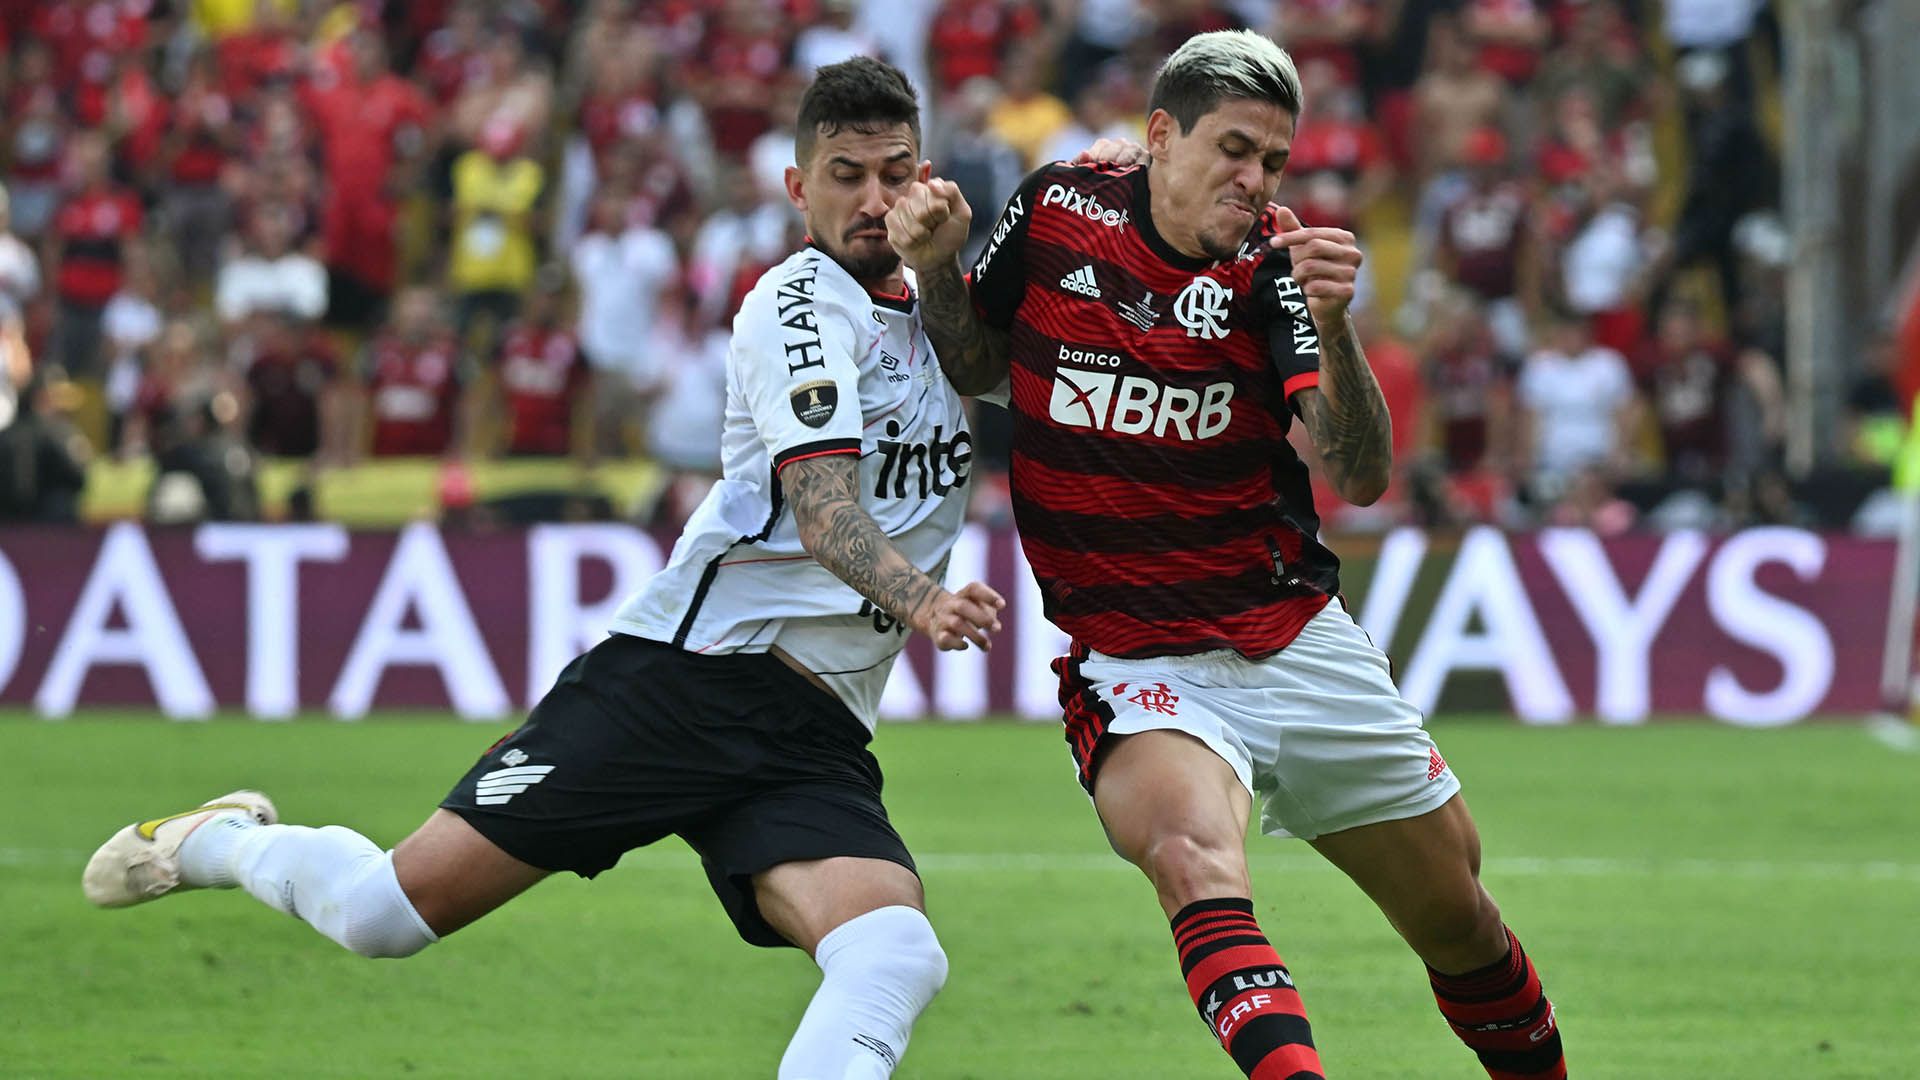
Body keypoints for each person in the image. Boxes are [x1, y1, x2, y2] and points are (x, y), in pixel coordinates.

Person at [82, 57, 1005, 1080]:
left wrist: (947, 271)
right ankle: (218, 841)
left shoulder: (936, 299)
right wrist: (925, 600)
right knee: (381, 916)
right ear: (797, 188)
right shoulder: (793, 307)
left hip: (812, 727)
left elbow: (979, 368)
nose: (874, 200)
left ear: (926, 176)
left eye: (895, 173)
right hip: (685, 684)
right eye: (846, 175)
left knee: (894, 952)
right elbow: (824, 510)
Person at [888, 29, 1566, 1080]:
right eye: (1236, 149)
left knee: (1460, 917)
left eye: (1275, 161)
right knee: (1192, 859)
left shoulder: (1275, 269)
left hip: (1290, 632)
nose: (1256, 180)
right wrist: (937, 269)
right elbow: (980, 363)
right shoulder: (1058, 208)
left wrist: (1335, 327)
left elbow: (1361, 473)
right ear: (1161, 135)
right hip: (1140, 660)